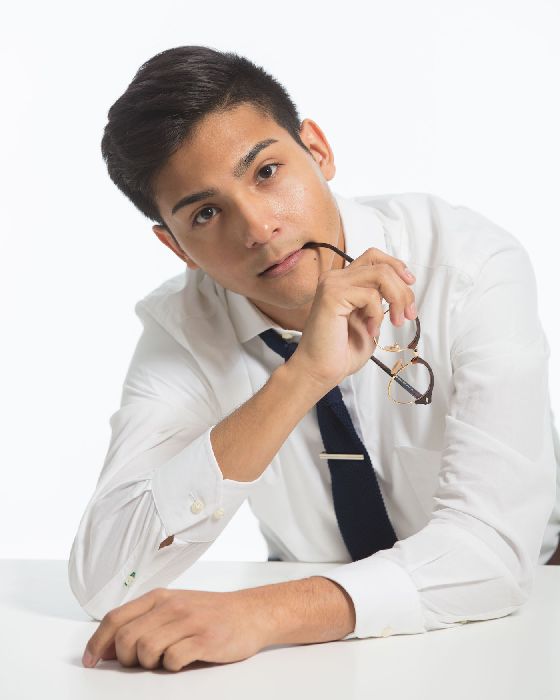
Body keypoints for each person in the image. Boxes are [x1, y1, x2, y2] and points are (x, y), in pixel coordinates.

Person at [71, 45, 560, 672]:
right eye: (207, 213)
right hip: (315, 662)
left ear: (317, 150)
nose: (258, 228)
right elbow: (105, 581)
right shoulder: (183, 327)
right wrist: (302, 377)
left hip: (521, 629)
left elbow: (491, 554)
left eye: (266, 172)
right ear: (178, 249)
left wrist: (262, 613)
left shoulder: (467, 265)